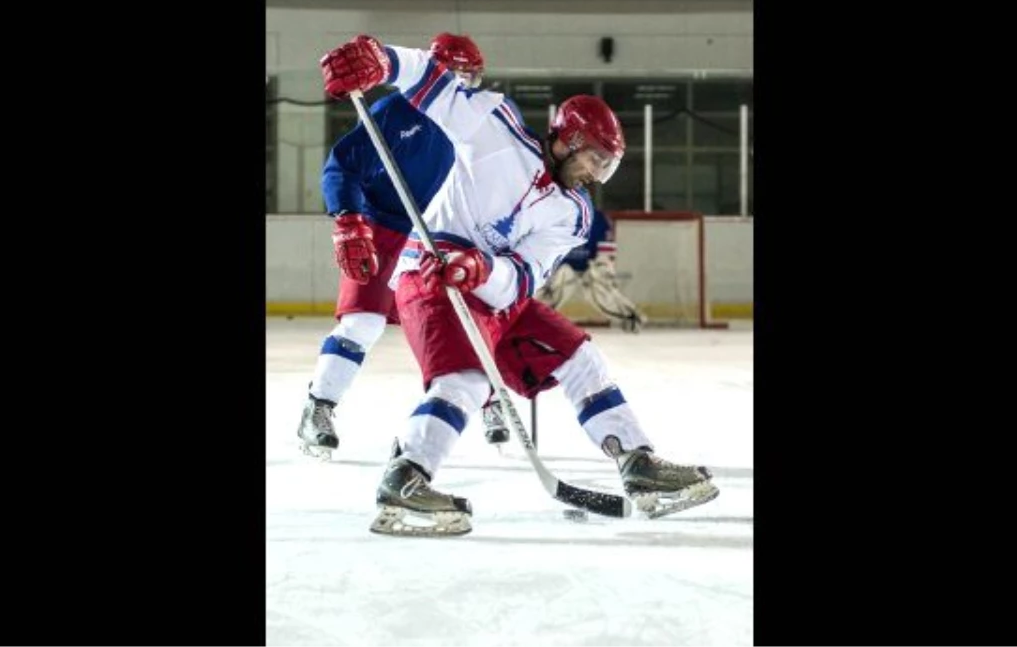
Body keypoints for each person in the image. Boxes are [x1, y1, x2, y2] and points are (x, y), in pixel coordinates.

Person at [319, 35, 719, 537]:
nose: (598, 175)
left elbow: (525, 274)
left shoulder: (573, 214)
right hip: (431, 275)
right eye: (596, 159)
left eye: (606, 166)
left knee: (581, 357)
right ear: (570, 140)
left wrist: (483, 270)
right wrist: (384, 61)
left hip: (494, 292)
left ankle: (637, 464)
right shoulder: (494, 125)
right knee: (464, 381)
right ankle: (406, 479)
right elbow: (431, 80)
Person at [296, 33, 509, 460]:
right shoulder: (394, 110)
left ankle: (489, 402)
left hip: (441, 235)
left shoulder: (481, 122)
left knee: (464, 324)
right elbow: (342, 167)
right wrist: (349, 220)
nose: (464, 83)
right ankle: (318, 408)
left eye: (471, 75)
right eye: (456, 73)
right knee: (363, 325)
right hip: (383, 225)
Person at [535, 207, 647, 333]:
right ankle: (530, 319)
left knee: (601, 291)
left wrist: (603, 270)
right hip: (562, 265)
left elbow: (606, 251)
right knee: (557, 284)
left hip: (590, 265)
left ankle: (631, 319)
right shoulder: (555, 216)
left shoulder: (598, 218)